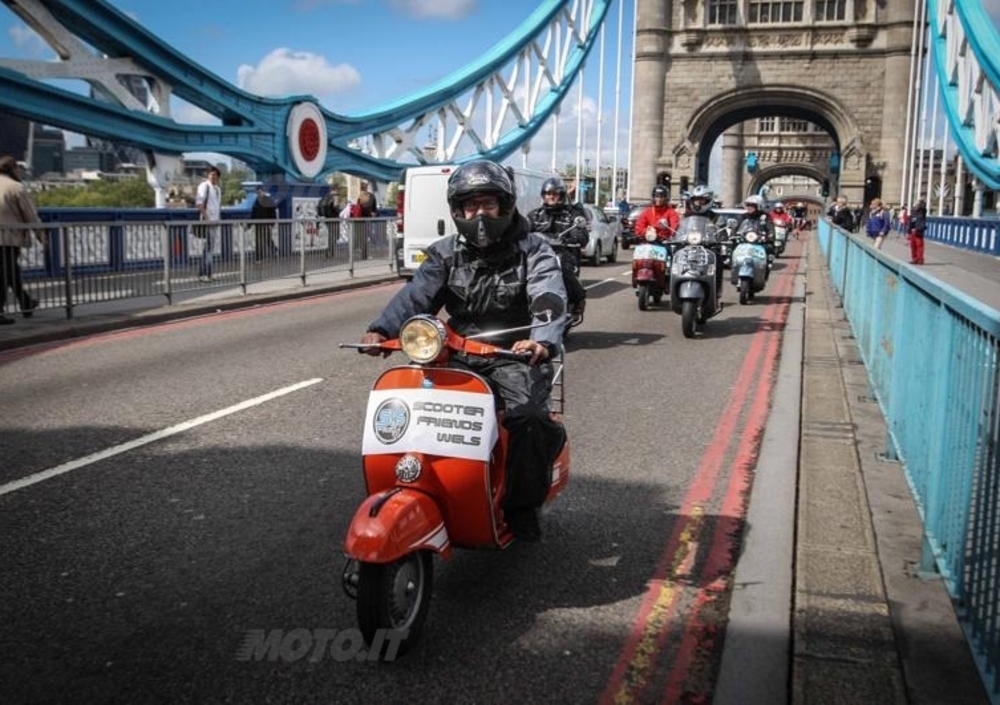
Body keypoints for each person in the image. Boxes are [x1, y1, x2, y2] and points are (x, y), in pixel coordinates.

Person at [360, 159, 567, 541]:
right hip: (456, 351)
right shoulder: (445, 253)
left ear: (505, 206)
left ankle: (522, 507)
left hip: (513, 353)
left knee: (529, 418)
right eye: (471, 206)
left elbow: (548, 294)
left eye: (488, 204)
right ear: (458, 210)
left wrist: (540, 338)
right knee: (412, 403)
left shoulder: (533, 249)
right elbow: (416, 295)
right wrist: (381, 329)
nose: (480, 214)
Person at [526, 176, 589, 322]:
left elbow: (582, 236)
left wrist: (572, 239)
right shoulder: (535, 215)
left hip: (565, 254)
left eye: (554, 194)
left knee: (563, 268)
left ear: (561, 195)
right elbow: (523, 233)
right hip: (539, 255)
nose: (551, 197)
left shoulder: (572, 214)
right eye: (548, 194)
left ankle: (578, 299)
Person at [0, 156, 42, 324]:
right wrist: (41, 235)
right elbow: (30, 215)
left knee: (10, 271)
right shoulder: (16, 187)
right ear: (13, 169)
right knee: (5, 273)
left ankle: (26, 302)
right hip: (8, 238)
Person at [195, 166, 222, 281]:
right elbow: (199, 203)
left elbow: (216, 205)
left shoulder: (217, 189)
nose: (213, 177)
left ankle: (209, 273)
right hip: (208, 221)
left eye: (215, 175)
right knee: (208, 248)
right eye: (211, 174)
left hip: (215, 221)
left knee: (210, 249)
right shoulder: (204, 186)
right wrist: (206, 218)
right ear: (208, 175)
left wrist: (218, 218)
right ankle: (203, 274)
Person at [251, 185, 278, 262]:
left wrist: (272, 223)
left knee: (267, 239)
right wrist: (249, 223)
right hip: (258, 224)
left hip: (266, 224)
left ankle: (274, 250)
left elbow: (273, 212)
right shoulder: (256, 201)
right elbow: (253, 213)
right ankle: (258, 257)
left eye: (260, 191)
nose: (259, 193)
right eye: (258, 192)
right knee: (258, 241)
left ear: (263, 191)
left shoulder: (268, 200)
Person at [908, 199, 927, 265]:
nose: (916, 205)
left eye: (917, 204)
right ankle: (915, 259)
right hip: (913, 230)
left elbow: (923, 208)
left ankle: (920, 259)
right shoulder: (913, 212)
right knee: (913, 246)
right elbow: (911, 221)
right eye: (915, 204)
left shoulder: (922, 211)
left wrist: (921, 201)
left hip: (919, 230)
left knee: (919, 246)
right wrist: (909, 231)